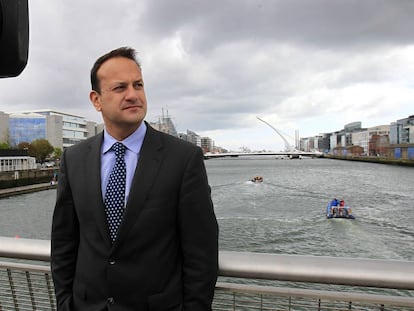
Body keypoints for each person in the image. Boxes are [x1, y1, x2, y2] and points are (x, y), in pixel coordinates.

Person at [51, 47, 219, 311]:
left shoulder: (183, 158)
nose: (133, 95)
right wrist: (65, 302)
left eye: (138, 85)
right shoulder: (74, 159)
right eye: (120, 88)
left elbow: (202, 252)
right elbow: (64, 241)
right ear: (97, 100)